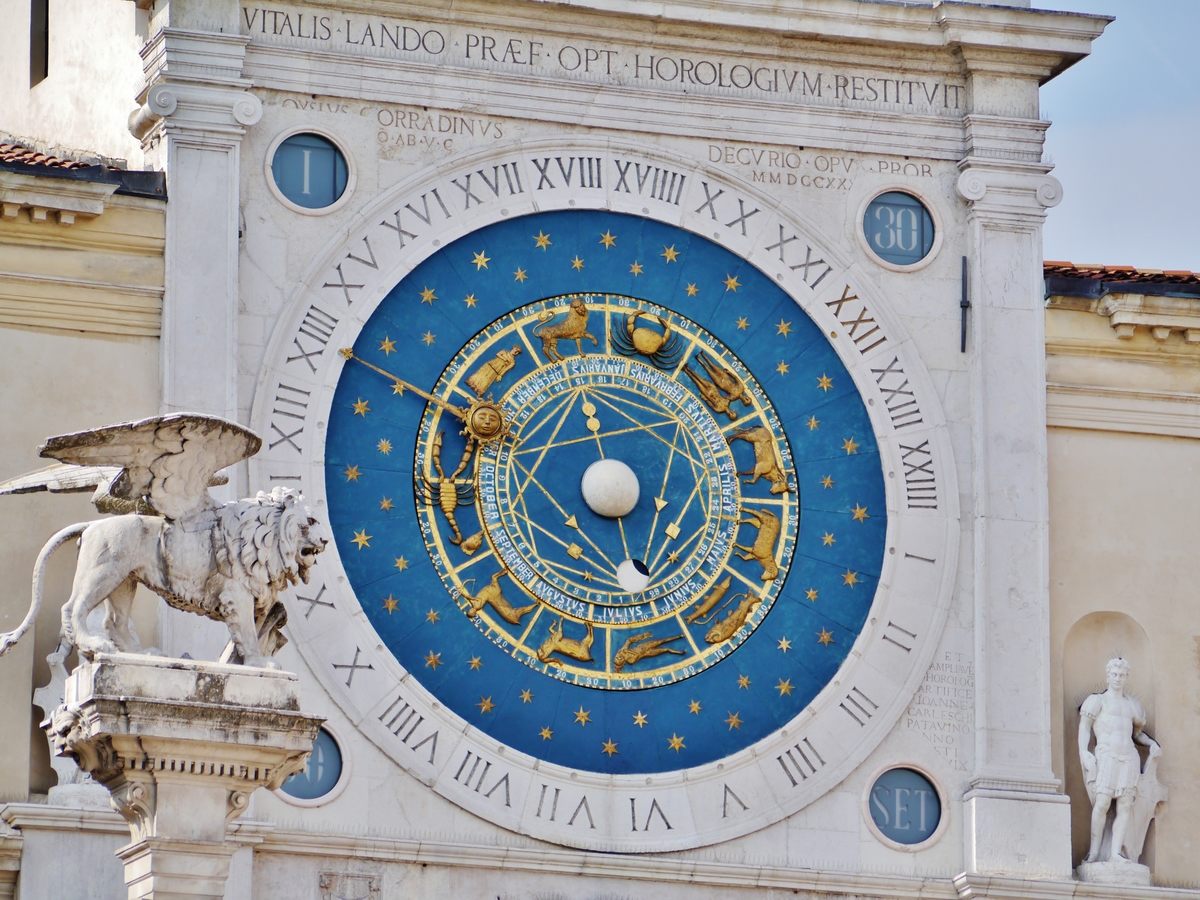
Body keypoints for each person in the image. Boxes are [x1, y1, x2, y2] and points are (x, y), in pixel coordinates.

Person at [1078, 657, 1161, 863]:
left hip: (1128, 757)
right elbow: (1084, 729)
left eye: (1122, 675)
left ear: (1126, 678)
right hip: (1106, 755)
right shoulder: (1097, 701)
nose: (1118, 678)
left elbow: (1137, 734)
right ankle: (1095, 852)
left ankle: (1115, 852)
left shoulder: (1132, 705)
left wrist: (1151, 744)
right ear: (1108, 676)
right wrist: (1083, 752)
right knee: (1103, 802)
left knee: (1125, 805)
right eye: (1114, 674)